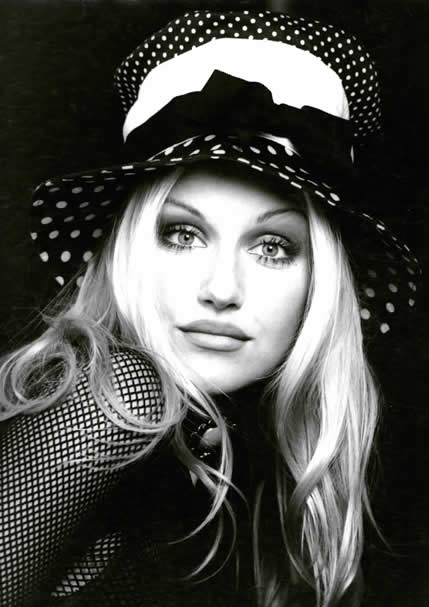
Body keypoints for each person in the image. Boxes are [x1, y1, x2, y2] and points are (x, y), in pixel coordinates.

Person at [0, 9, 420, 607]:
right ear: (127, 251)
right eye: (182, 234)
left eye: (272, 247)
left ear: (320, 284)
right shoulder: (118, 402)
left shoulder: (241, 446)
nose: (222, 289)